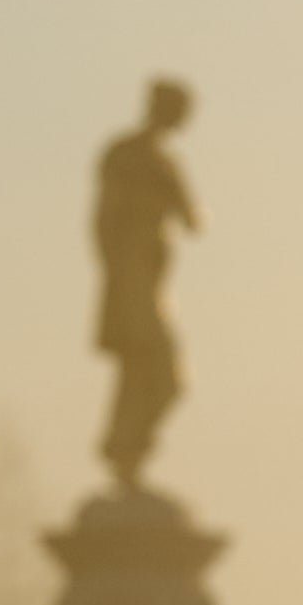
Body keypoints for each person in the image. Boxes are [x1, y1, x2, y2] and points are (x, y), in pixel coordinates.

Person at [93, 79, 201, 483]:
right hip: (133, 278)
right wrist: (117, 273)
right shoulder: (126, 156)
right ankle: (124, 448)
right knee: (146, 366)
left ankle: (128, 446)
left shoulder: (163, 163)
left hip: (155, 278)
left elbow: (192, 219)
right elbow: (104, 218)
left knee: (159, 375)